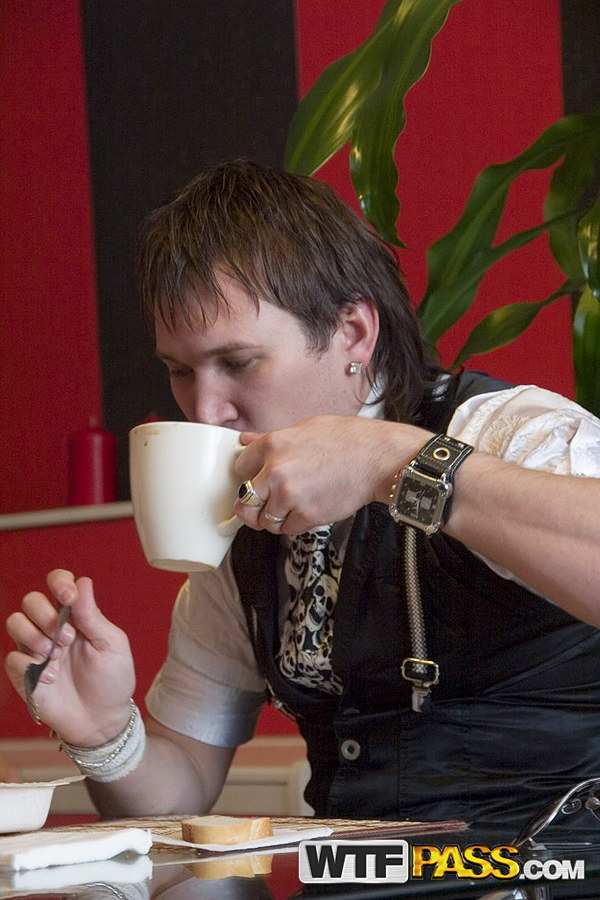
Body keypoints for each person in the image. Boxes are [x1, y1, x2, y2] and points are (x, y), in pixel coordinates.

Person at [5, 159, 600, 838]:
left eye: (237, 362)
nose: (205, 409)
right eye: (179, 370)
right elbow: (182, 789)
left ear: (353, 334)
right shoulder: (242, 519)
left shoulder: (507, 432)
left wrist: (392, 462)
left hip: (553, 869)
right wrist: (106, 735)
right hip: (354, 877)